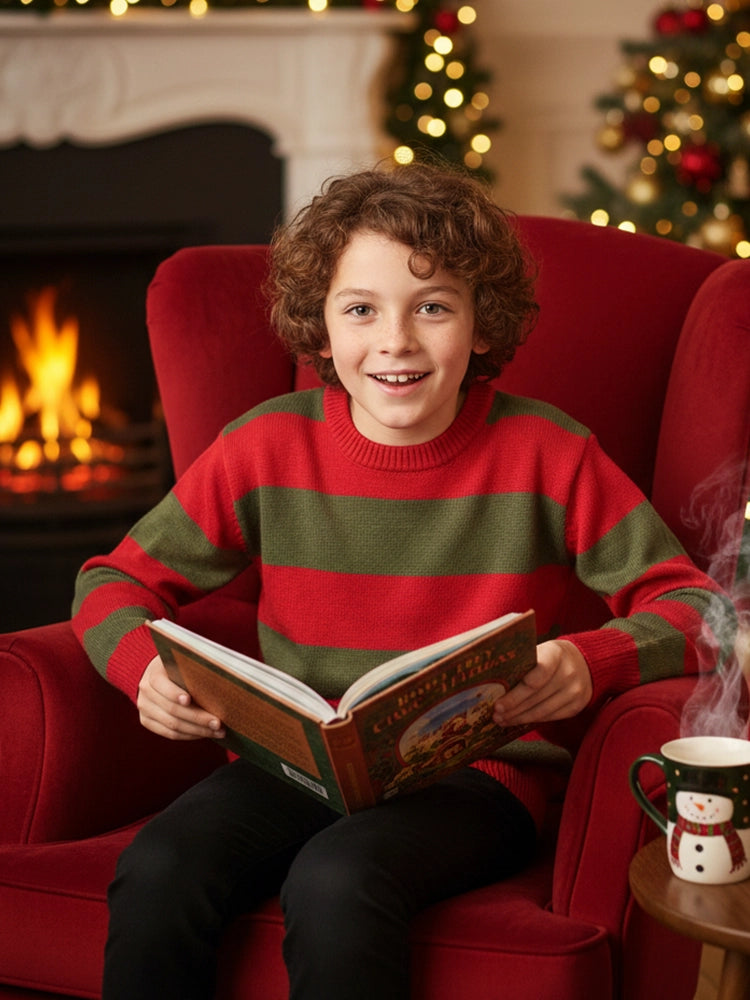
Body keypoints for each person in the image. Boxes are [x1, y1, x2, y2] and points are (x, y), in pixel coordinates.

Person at [72, 160, 734, 1000]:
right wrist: (144, 670)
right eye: (361, 310)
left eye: (433, 307)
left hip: (478, 778)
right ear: (320, 329)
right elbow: (109, 582)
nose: (396, 342)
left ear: (481, 324)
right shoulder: (263, 446)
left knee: (337, 880)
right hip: (296, 766)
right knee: (161, 866)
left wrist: (590, 660)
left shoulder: (550, 453)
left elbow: (701, 609)